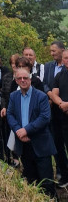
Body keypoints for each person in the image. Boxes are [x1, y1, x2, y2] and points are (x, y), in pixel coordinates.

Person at [7, 66, 56, 197]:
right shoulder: (13, 96)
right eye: (20, 78)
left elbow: (45, 117)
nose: (23, 80)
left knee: (47, 182)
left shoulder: (41, 96)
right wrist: (18, 131)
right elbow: (10, 115)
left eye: (25, 78)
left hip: (41, 145)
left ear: (30, 79)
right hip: (24, 144)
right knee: (31, 181)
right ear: (16, 81)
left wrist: (26, 130)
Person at [43, 41, 67, 182]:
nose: (52, 54)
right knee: (57, 142)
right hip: (55, 110)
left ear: (62, 51)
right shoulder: (50, 68)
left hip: (64, 107)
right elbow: (47, 85)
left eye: (54, 51)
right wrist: (53, 98)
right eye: (50, 51)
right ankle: (62, 172)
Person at [50, 48, 68, 188]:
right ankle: (65, 177)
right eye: (66, 58)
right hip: (60, 118)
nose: (67, 61)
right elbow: (53, 93)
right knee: (59, 147)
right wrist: (61, 103)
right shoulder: (60, 75)